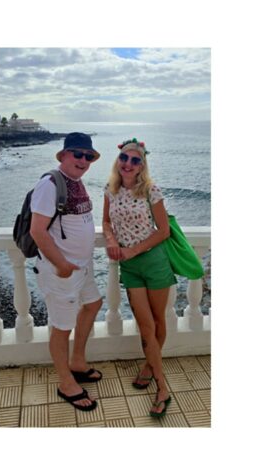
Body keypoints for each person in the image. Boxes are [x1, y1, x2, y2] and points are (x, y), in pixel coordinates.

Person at [30, 132, 104, 412]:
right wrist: (61, 264)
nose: (83, 160)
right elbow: (37, 230)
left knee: (94, 303)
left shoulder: (76, 181)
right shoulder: (50, 184)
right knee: (62, 328)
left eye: (88, 156)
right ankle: (65, 382)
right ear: (63, 156)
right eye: (77, 154)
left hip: (81, 268)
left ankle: (78, 362)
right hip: (60, 270)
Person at [102, 138, 175, 417]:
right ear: (118, 160)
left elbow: (163, 231)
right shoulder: (110, 189)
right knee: (146, 326)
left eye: (135, 160)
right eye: (124, 158)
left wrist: (132, 249)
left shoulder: (151, 191)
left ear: (142, 165)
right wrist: (111, 240)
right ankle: (161, 384)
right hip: (130, 267)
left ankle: (152, 372)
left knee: (157, 322)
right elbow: (107, 221)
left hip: (154, 262)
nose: (128, 164)